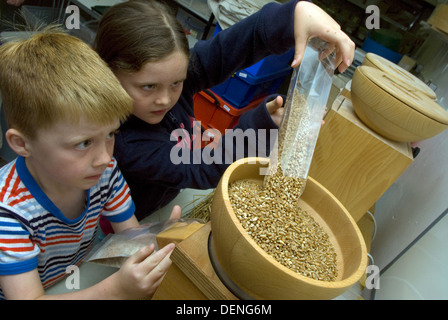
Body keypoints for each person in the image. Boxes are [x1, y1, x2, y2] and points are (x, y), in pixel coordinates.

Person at [95, 0, 355, 221]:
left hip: (169, 194)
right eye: (148, 87)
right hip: (136, 217)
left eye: (177, 83)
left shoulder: (170, 77)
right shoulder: (124, 143)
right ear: (107, 75)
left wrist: (295, 15)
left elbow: (229, 49)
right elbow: (198, 168)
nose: (165, 99)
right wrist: (261, 124)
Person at [0, 29, 180, 300]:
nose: (106, 158)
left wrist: (155, 242)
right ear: (22, 144)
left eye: (110, 135)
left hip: (78, 277)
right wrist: (118, 290)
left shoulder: (102, 171)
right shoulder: (8, 214)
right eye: (84, 143)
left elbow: (128, 233)